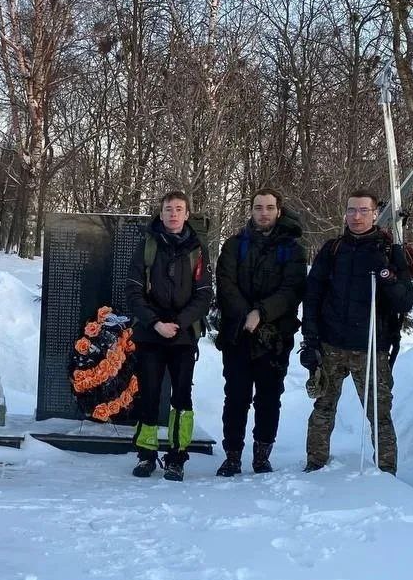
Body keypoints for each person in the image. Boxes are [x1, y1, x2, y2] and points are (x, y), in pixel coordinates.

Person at [299, 189, 413, 474]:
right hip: (331, 344)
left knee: (379, 413)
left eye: (364, 210)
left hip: (371, 347)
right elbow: (312, 295)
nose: (356, 216)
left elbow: (405, 302)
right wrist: (310, 339)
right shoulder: (333, 249)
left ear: (375, 214)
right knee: (323, 407)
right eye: (351, 210)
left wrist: (387, 275)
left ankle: (386, 472)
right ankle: (315, 464)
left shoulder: (389, 251)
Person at [214, 188, 307, 477]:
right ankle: (232, 455)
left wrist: (262, 313)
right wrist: (246, 315)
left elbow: (292, 290)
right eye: (258, 207)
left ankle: (262, 455)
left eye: (269, 207)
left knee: (268, 398)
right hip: (238, 333)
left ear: (279, 210)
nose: (263, 213)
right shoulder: (234, 245)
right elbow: (225, 283)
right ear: (251, 210)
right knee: (236, 396)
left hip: (275, 336)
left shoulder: (292, 249)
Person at [124, 190, 213, 482]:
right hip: (151, 335)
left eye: (178, 209)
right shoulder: (147, 245)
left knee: (182, 397)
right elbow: (134, 291)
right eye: (168, 209)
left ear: (187, 214)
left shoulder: (198, 249)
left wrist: (178, 322)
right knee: (148, 394)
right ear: (160, 213)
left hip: (183, 336)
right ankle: (146, 454)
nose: (173, 214)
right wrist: (156, 323)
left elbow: (204, 295)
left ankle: (177, 457)